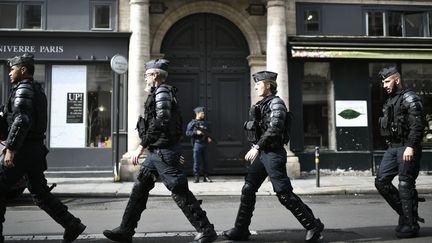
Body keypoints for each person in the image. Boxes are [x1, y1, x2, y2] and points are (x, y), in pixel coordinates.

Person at [103, 59, 217, 243]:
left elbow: (161, 121)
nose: (145, 78)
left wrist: (141, 145)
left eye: (147, 74)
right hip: (157, 152)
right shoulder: (158, 92)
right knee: (140, 188)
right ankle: (126, 230)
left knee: (178, 190)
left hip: (164, 152)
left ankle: (206, 230)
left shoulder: (162, 92)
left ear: (155, 75)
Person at [222, 71, 324, 242]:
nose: (255, 86)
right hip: (263, 154)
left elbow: (275, 128)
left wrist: (257, 146)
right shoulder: (262, 104)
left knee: (284, 194)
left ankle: (313, 226)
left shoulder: (277, 103)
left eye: (258, 83)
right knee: (248, 189)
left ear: (268, 85)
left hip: (273, 154)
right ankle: (241, 229)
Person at [0, 53, 86, 243]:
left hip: (22, 150)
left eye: (12, 69)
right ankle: (72, 224)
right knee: (39, 192)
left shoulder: (24, 89)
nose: (9, 73)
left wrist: (11, 149)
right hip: (35, 149)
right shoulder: (35, 89)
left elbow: (22, 120)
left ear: (23, 70)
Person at [375, 66, 426, 238]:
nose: (384, 85)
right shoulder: (390, 100)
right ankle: (407, 214)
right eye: (383, 82)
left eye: (387, 81)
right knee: (381, 181)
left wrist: (411, 146)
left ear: (397, 80)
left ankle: (411, 224)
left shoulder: (410, 98)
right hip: (393, 147)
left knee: (405, 184)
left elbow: (418, 125)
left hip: (407, 146)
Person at [186, 107, 213, 183]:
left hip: (205, 144)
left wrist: (209, 137)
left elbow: (209, 132)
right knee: (196, 161)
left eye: (203, 113)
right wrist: (195, 133)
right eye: (202, 113)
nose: (203, 114)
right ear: (197, 113)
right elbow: (187, 133)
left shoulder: (206, 123)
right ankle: (196, 177)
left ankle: (206, 177)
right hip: (197, 144)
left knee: (206, 161)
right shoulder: (192, 123)